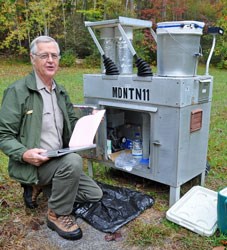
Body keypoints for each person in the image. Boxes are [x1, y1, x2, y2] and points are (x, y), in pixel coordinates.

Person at [0, 36, 103, 241]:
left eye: (54, 55)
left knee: (94, 194)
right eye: (44, 55)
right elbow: (3, 134)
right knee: (73, 161)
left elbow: (72, 125)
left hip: (57, 159)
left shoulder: (60, 91)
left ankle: (42, 186)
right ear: (33, 58)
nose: (50, 60)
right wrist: (24, 153)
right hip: (33, 163)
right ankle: (56, 214)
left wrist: (88, 122)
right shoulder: (18, 91)